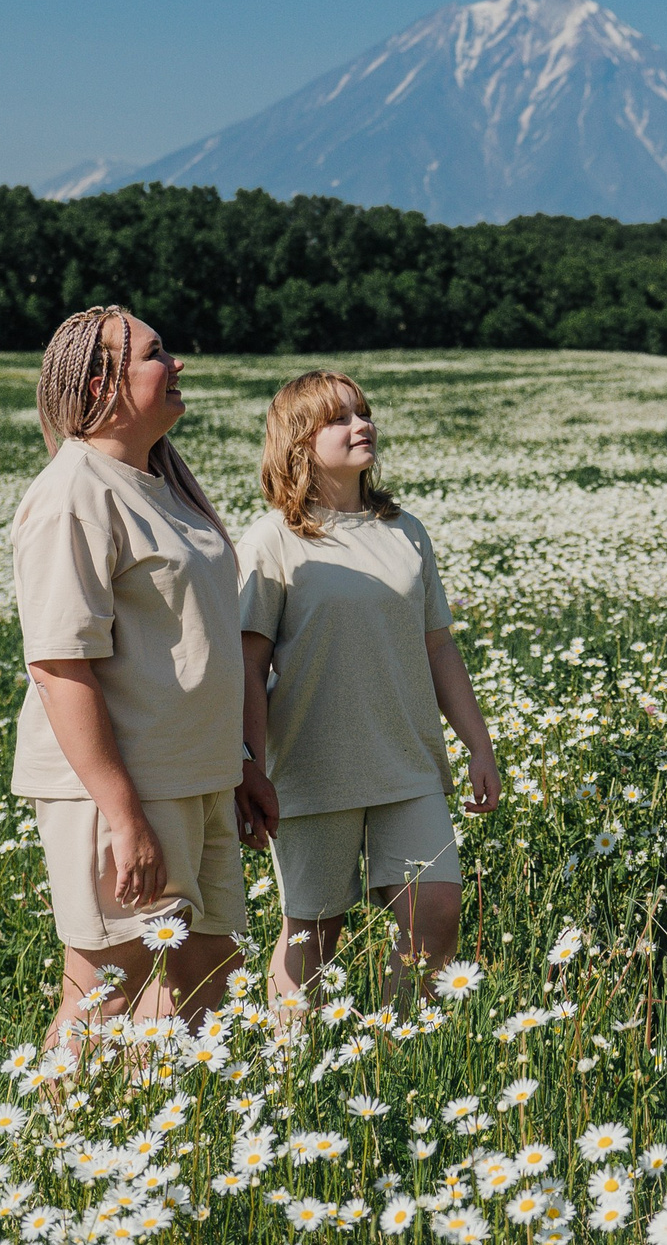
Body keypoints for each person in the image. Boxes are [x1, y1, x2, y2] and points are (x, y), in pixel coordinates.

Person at [11, 306, 250, 1045]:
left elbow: (195, 644)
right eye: (157, 354)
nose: (178, 366)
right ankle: (45, 1151)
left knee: (212, 979)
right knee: (106, 994)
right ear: (103, 384)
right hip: (123, 793)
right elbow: (59, 665)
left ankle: (177, 1145)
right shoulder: (73, 495)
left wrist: (237, 764)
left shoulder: (160, 482)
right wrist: (124, 817)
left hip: (193, 779)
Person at [232, 371, 501, 1009]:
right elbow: (247, 666)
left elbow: (438, 645)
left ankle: (398, 1049)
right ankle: (295, 1072)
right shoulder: (272, 541)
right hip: (310, 770)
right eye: (340, 419)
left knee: (433, 917)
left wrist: (479, 745)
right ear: (298, 442)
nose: (362, 427)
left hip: (407, 762)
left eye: (364, 413)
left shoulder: (406, 531)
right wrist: (248, 767)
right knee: (314, 934)